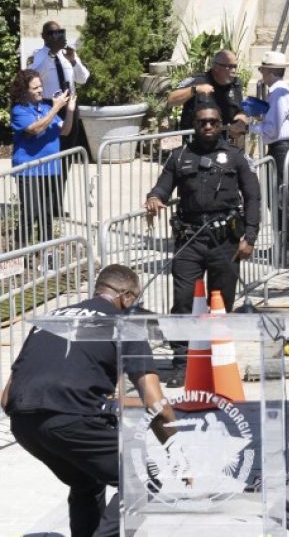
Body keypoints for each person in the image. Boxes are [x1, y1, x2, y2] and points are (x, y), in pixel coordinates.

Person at [1, 264, 174, 537]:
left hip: (22, 424)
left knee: (86, 479)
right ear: (126, 297)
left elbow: (6, 395)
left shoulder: (51, 318)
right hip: (70, 417)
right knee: (142, 476)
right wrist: (175, 448)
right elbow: (155, 402)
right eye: (135, 301)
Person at [144, 99, 261, 384]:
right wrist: (154, 197)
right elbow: (163, 185)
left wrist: (250, 236)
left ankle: (216, 359)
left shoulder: (235, 157)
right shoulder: (179, 156)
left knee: (220, 303)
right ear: (194, 125)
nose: (207, 126)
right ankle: (183, 362)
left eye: (213, 121)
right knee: (183, 301)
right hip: (189, 239)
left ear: (221, 125)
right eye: (201, 122)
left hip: (225, 241)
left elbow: (253, 197)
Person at [10, 68, 76, 247]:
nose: (40, 90)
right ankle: (19, 259)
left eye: (41, 86)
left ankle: (47, 258)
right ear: (25, 90)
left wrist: (69, 110)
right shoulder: (19, 111)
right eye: (35, 88)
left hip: (50, 168)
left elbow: (65, 131)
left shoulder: (46, 108)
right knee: (30, 214)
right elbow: (34, 129)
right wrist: (56, 108)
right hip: (29, 170)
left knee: (47, 215)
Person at [250, 50, 289, 259]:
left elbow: (272, 128)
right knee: (278, 196)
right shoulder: (278, 92)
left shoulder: (279, 93)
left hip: (283, 148)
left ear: (269, 71)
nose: (261, 72)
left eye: (263, 69)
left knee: (282, 197)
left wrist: (251, 127)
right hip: (281, 148)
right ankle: (284, 243)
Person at [27, 19, 89, 151]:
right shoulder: (37, 55)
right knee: (52, 146)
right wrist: (51, 54)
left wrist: (73, 61)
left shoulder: (68, 53)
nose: (56, 35)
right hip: (49, 106)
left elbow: (83, 79)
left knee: (70, 146)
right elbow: (33, 77)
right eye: (51, 33)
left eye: (59, 32)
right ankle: (54, 172)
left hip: (70, 106)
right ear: (43, 35)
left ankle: (65, 172)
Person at [166, 48, 248, 145]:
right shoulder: (198, 81)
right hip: (196, 146)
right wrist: (194, 90)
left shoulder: (236, 84)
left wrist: (240, 121)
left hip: (223, 146)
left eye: (235, 66)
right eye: (229, 67)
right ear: (216, 67)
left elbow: (240, 111)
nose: (233, 71)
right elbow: (171, 100)